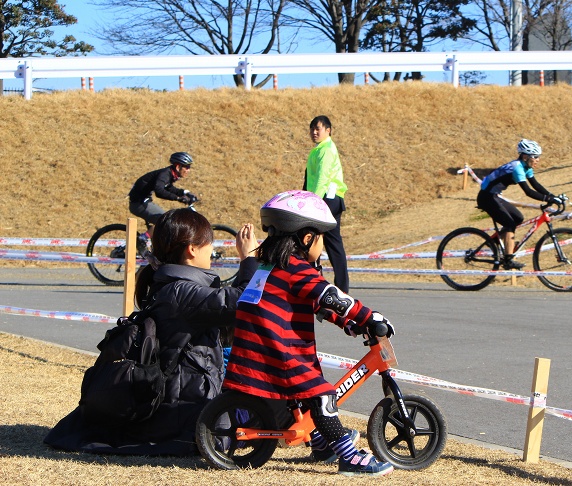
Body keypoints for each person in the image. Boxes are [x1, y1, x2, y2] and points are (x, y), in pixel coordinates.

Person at [45, 208, 260, 456]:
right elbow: (243, 302)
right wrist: (249, 260)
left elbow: (225, 306)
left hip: (182, 401)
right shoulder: (180, 291)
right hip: (185, 415)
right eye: (208, 247)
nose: (212, 254)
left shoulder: (172, 284)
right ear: (191, 249)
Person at [224, 189, 395, 477]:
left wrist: (347, 324)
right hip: (279, 351)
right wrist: (370, 317)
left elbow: (312, 302)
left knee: (303, 395)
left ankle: (319, 441)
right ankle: (349, 457)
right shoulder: (297, 268)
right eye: (322, 238)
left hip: (258, 348)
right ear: (306, 238)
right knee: (322, 395)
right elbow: (330, 296)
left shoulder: (271, 266)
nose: (323, 246)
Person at [476, 140, 562, 270]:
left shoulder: (525, 167)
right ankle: (508, 260)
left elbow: (536, 185)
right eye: (535, 157)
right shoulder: (517, 168)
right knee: (509, 223)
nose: (538, 160)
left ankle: (493, 242)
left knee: (518, 218)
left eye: (539, 157)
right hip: (486, 197)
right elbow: (528, 191)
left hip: (493, 195)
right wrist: (548, 198)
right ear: (525, 156)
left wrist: (553, 196)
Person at [303, 115, 350, 292]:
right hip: (324, 199)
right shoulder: (318, 149)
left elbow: (322, 178)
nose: (314, 132)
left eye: (318, 129)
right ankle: (326, 283)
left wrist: (312, 202)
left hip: (328, 199)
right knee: (325, 242)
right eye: (312, 129)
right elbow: (310, 179)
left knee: (317, 239)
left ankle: (333, 286)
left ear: (328, 130)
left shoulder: (326, 149)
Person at [128, 152, 198, 247]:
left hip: (144, 201)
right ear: (178, 167)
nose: (188, 170)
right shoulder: (165, 174)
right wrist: (178, 198)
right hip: (138, 204)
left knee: (166, 222)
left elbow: (169, 188)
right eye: (187, 167)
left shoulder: (170, 174)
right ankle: (143, 239)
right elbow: (159, 191)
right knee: (165, 221)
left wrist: (185, 192)